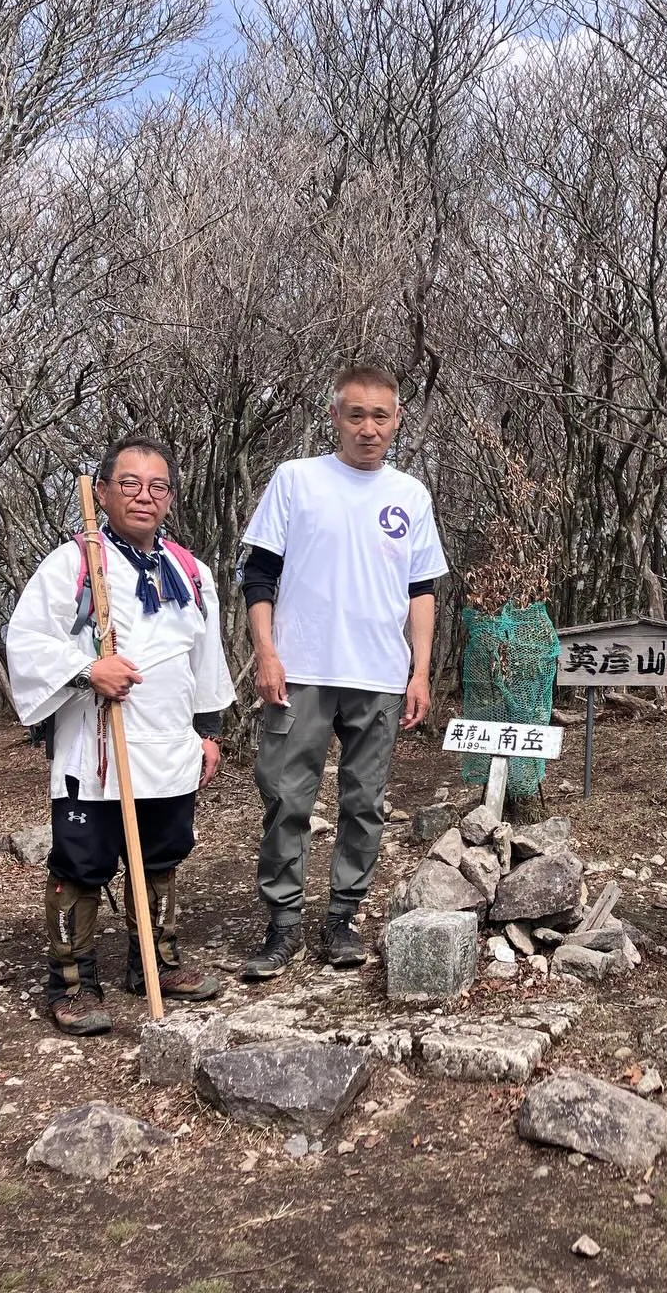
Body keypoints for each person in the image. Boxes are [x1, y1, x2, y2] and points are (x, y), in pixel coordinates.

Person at [7, 437, 235, 1036]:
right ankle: (72, 983)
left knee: (161, 857)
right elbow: (27, 640)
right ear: (103, 492)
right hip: (97, 748)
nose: (144, 495)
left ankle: (155, 964)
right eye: (129, 483)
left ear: (171, 500)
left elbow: (205, 659)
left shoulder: (192, 571)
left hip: (168, 746)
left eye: (157, 486)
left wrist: (209, 731)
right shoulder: (75, 564)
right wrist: (89, 670)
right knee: (82, 865)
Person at [239, 363, 448, 978]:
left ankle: (342, 918)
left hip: (380, 673)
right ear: (335, 416)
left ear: (397, 421)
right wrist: (266, 651)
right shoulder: (296, 480)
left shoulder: (410, 495)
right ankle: (282, 922)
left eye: (380, 415)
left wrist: (420, 671)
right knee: (284, 795)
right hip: (299, 667)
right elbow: (259, 573)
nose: (367, 427)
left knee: (365, 802)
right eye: (355, 414)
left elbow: (422, 588)